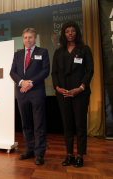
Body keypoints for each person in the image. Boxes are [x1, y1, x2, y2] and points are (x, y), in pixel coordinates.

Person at [51, 21, 94, 168]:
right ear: (64, 34)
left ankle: (80, 156)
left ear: (77, 33)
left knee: (80, 125)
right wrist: (57, 87)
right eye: (67, 31)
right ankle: (69, 155)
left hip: (80, 94)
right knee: (67, 126)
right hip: (63, 94)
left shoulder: (84, 49)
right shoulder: (58, 52)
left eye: (73, 31)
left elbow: (90, 71)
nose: (70, 33)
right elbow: (54, 73)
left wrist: (80, 88)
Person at [10, 28, 50, 165]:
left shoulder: (42, 52)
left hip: (36, 92)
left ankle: (39, 153)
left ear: (35, 38)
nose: (28, 40)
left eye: (30, 37)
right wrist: (22, 83)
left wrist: (30, 83)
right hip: (22, 93)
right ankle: (30, 149)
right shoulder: (18, 55)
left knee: (39, 124)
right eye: (25, 38)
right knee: (26, 123)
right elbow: (12, 72)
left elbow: (46, 71)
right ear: (23, 39)